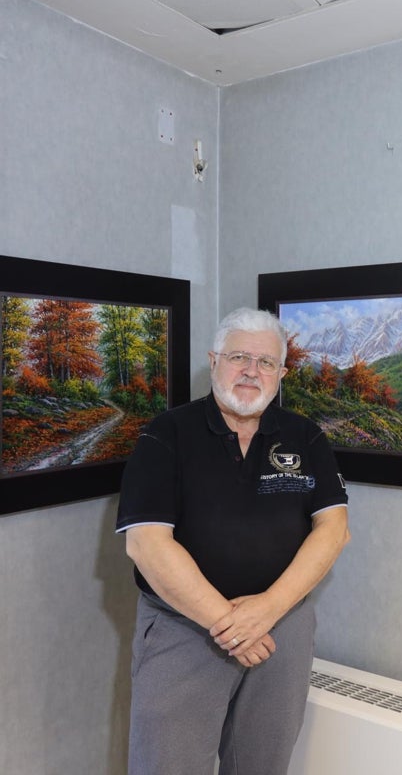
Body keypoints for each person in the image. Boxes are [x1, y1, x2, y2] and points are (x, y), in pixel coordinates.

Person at [116, 307, 350, 775]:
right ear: (214, 360)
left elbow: (334, 530)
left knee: (263, 764)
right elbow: (146, 544)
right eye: (239, 356)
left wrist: (267, 609)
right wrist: (229, 622)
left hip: (281, 629)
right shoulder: (166, 435)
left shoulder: (305, 437)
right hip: (184, 629)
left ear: (281, 373)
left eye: (266, 362)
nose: (251, 371)